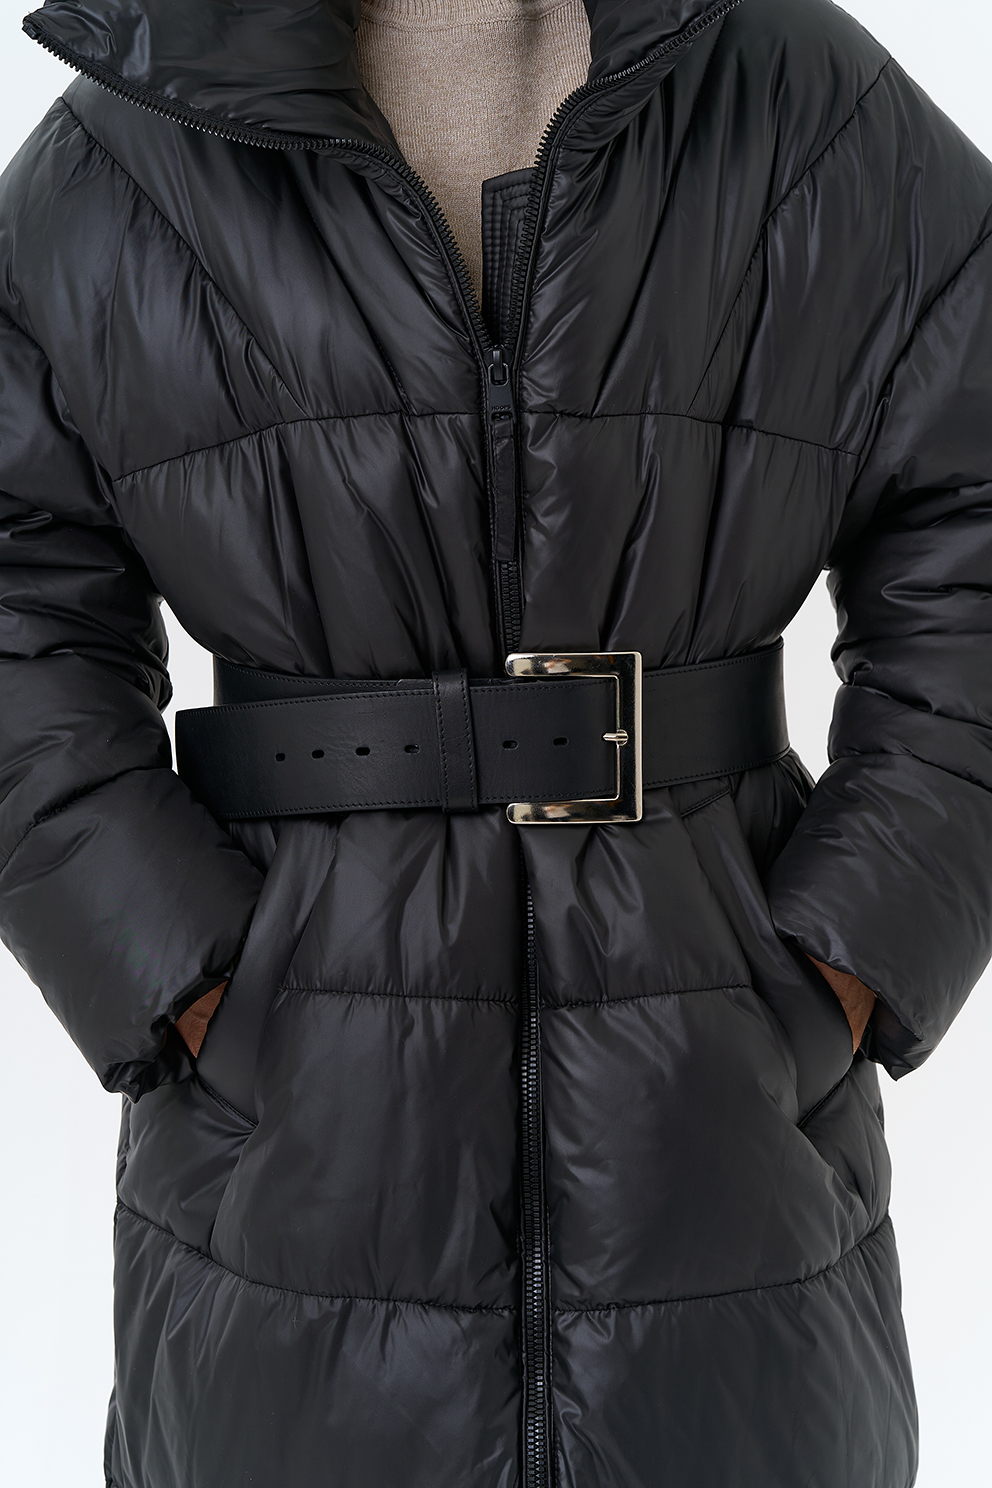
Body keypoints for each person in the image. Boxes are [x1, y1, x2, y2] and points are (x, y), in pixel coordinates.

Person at [1, 0, 989, 1483]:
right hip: (293, 1166)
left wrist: (858, 955)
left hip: (727, 1159)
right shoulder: (142, 133)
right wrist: (180, 980)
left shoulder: (802, 99)